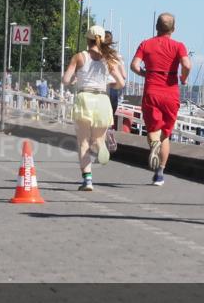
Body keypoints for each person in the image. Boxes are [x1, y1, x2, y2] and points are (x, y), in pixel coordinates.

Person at [130, 13, 192, 186]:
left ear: (156, 27)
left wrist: (144, 73)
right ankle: (160, 174)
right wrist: (184, 78)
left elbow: (134, 65)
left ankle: (154, 144)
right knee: (166, 134)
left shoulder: (146, 44)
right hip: (171, 91)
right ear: (173, 29)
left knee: (153, 127)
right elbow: (187, 65)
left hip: (152, 89)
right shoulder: (178, 46)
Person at [62, 25, 125, 191]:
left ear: (87, 40)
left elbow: (65, 80)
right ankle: (100, 146)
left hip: (85, 98)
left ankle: (88, 180)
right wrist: (109, 83)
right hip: (103, 100)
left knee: (83, 143)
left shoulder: (79, 57)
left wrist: (75, 79)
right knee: (97, 139)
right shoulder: (108, 59)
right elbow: (121, 83)